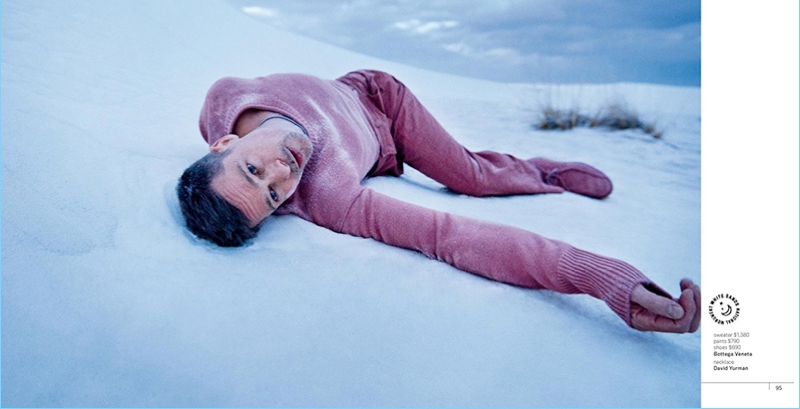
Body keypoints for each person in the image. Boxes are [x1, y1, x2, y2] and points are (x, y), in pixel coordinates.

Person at [177, 69, 701, 334]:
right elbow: (447, 235)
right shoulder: (329, 199)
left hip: (377, 96)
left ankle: (538, 167)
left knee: (469, 172)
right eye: (273, 197)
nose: (281, 173)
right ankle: (545, 175)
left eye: (253, 167)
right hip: (382, 147)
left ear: (224, 143)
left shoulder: (224, 98)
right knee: (467, 186)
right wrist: (597, 275)